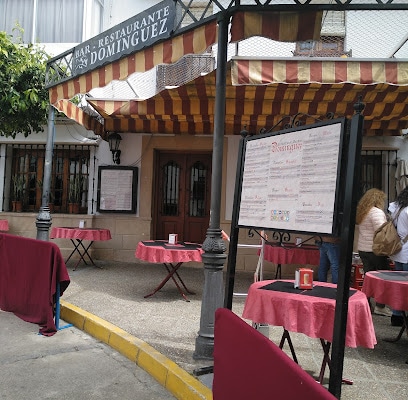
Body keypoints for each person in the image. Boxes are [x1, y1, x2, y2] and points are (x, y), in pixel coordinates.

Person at [356, 188, 392, 317]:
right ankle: (380, 306)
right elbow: (382, 231)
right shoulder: (376, 212)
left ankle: (365, 303)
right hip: (375, 250)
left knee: (368, 278)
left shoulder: (363, 212)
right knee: (383, 277)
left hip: (363, 248)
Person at [388, 186, 408, 326]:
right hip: (406, 252)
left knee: (397, 286)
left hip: (398, 251)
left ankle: (396, 315)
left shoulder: (397, 207)